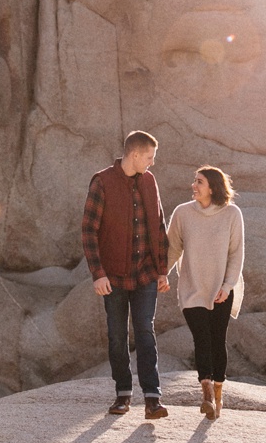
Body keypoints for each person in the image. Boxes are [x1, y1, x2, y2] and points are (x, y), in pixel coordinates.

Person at [82, 130, 171, 419]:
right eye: (149, 157)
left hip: (145, 274)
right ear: (135, 154)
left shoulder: (149, 181)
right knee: (117, 336)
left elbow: (158, 226)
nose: (152, 163)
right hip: (114, 278)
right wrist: (98, 273)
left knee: (145, 330)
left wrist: (161, 271)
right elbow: (88, 231)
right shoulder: (102, 182)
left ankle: (152, 398)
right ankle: (123, 394)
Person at [166, 165, 244, 420]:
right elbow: (173, 248)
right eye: (195, 181)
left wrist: (227, 286)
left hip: (221, 289)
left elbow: (236, 253)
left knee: (217, 340)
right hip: (192, 288)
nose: (194, 186)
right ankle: (207, 393)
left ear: (213, 187)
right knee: (201, 338)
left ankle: (218, 396)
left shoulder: (232, 214)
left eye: (199, 182)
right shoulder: (182, 213)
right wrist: (160, 273)